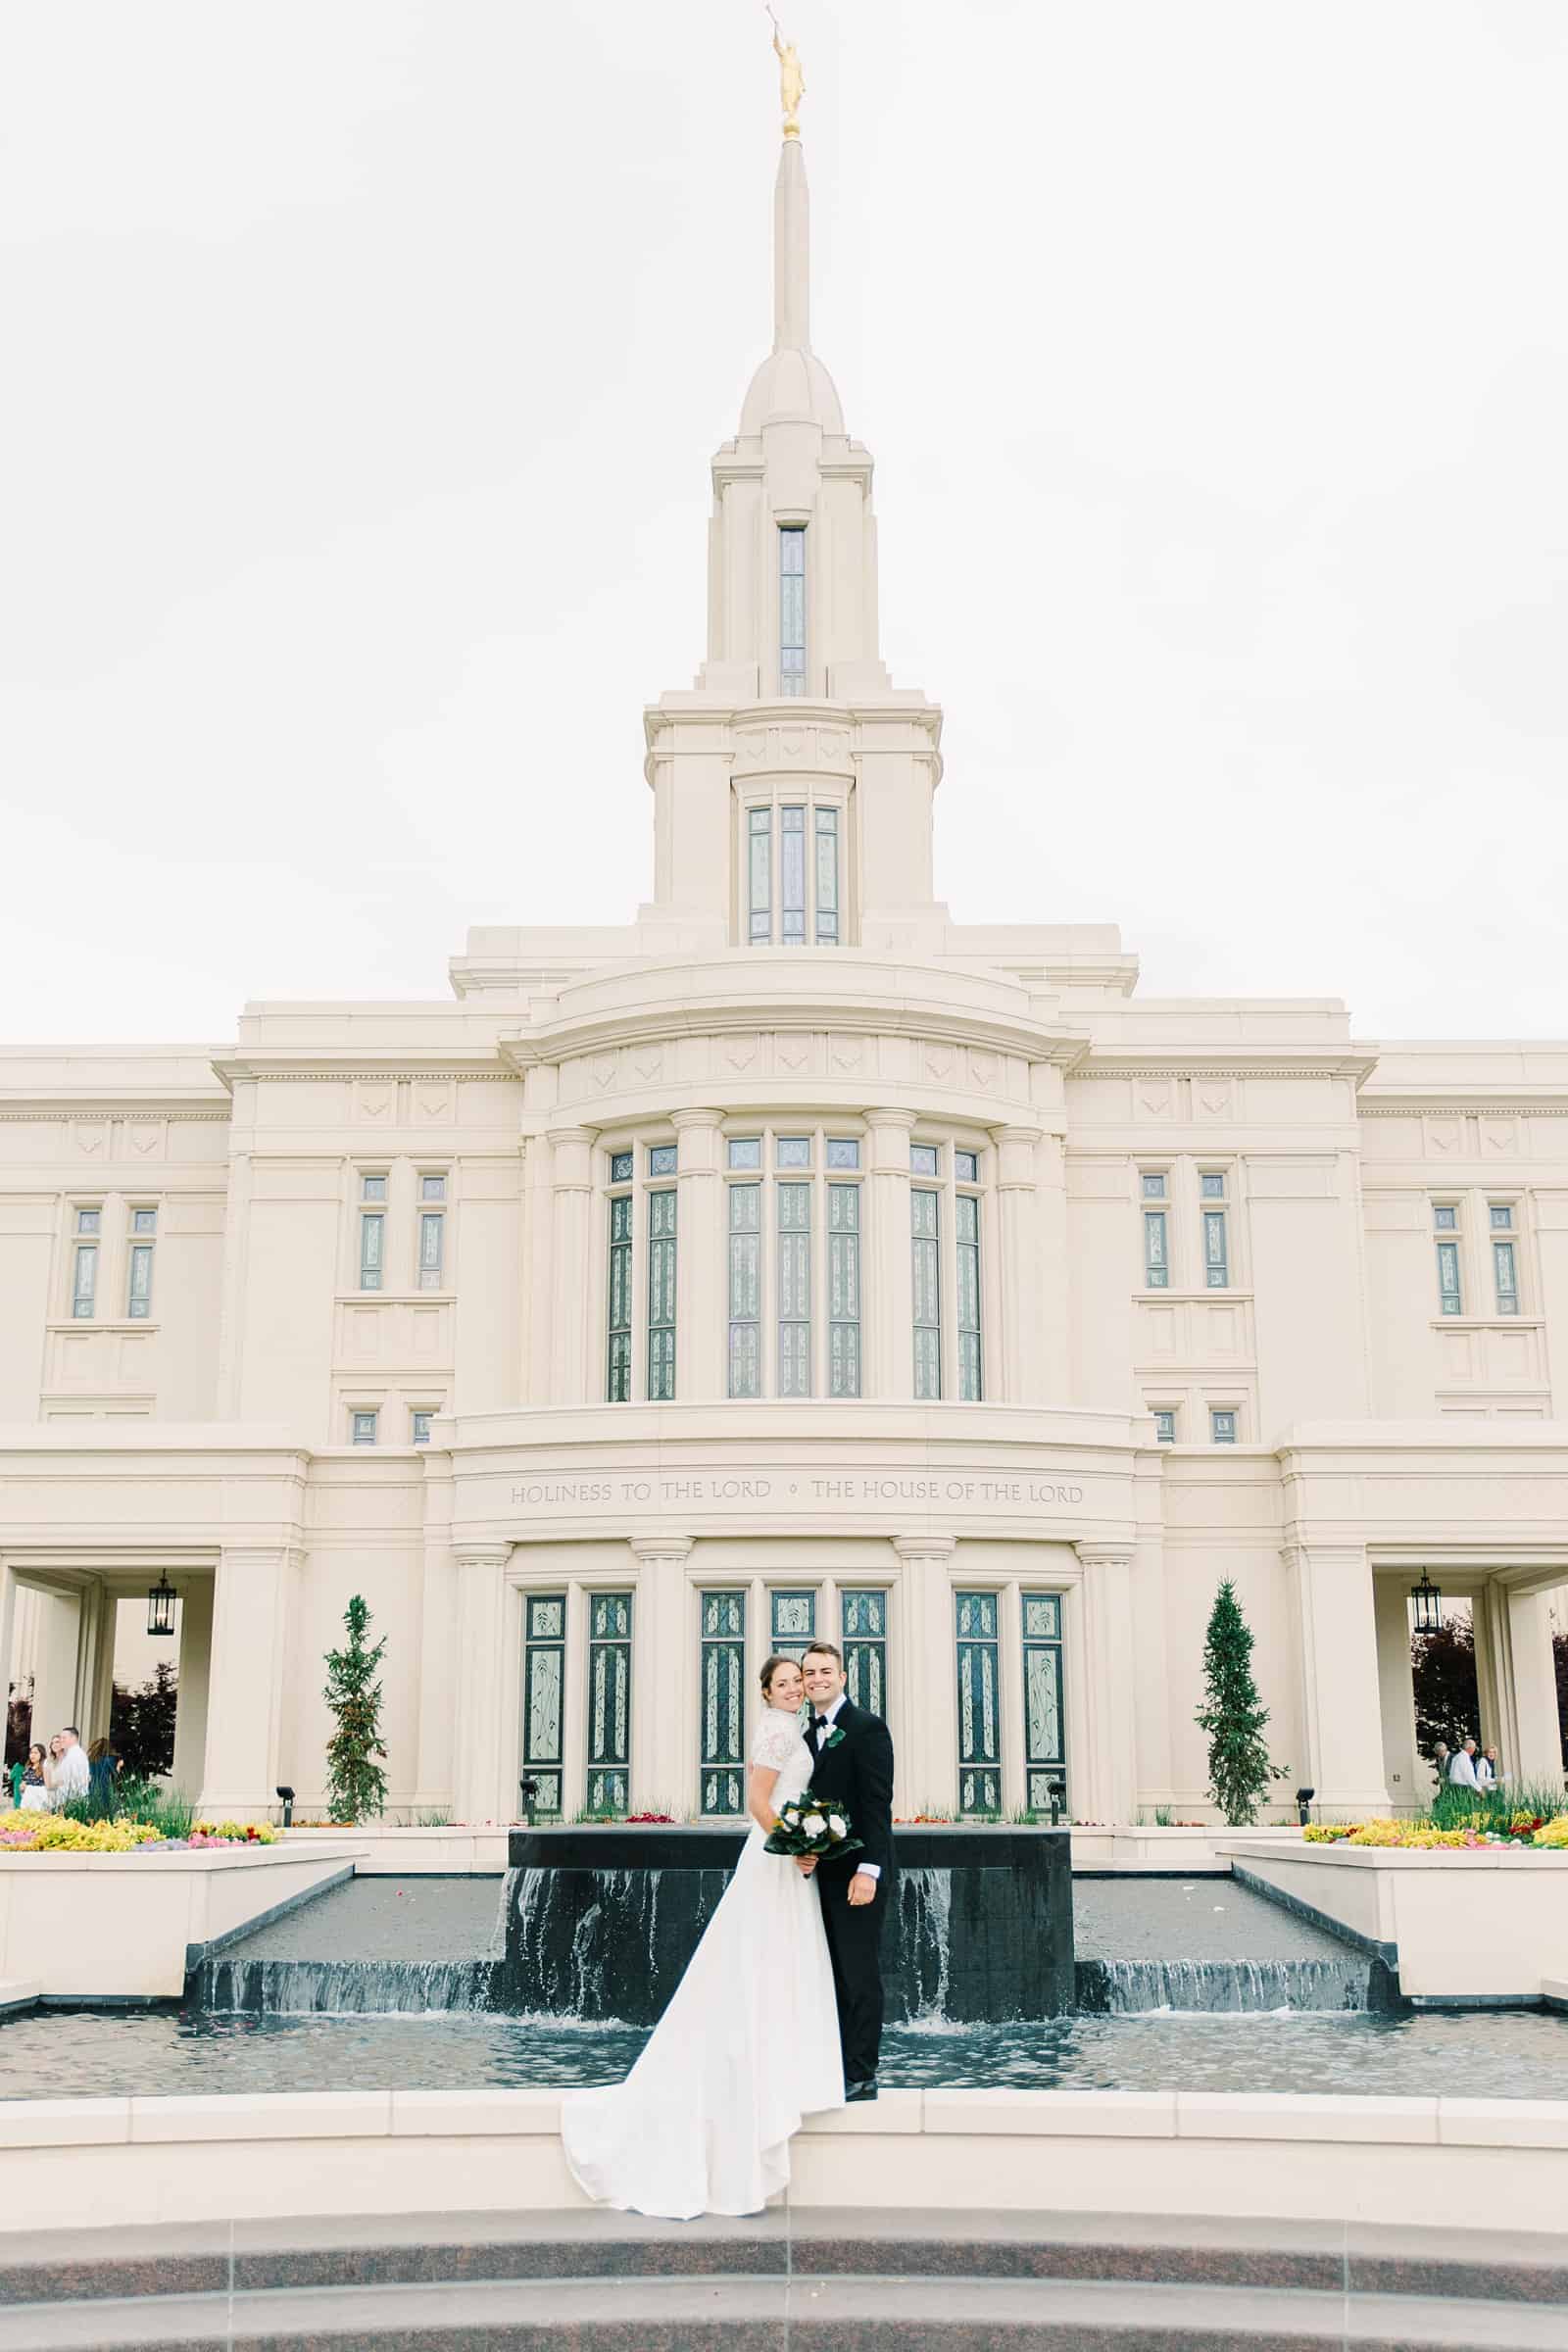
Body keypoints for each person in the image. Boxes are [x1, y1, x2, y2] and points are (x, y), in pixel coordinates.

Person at [562, 1653, 844, 2218]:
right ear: (766, 1693)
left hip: (787, 1860)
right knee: (759, 1957)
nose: (794, 1689)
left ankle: (782, 2057)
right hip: (774, 1859)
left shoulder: (795, 1729)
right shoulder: (775, 1733)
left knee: (777, 1958)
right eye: (783, 1683)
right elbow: (758, 1803)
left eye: (798, 1682)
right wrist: (793, 1844)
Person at [800, 1640, 896, 2104]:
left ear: (842, 1677)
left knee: (859, 1974)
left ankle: (862, 2074)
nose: (816, 1679)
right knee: (829, 1975)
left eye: (824, 1671)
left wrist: (869, 1870)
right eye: (809, 1673)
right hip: (818, 1876)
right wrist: (803, 1850)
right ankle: (832, 2067)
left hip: (858, 1874)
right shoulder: (804, 1737)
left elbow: (877, 1806)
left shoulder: (867, 1729)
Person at [50, 1727, 90, 1809]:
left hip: (72, 1801)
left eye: (64, 1738)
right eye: (60, 1738)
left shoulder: (75, 1755)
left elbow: (73, 1781)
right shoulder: (71, 1754)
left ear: (74, 1738)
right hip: (69, 1800)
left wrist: (64, 1803)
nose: (61, 1740)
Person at [87, 1737, 121, 1807]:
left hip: (92, 1789)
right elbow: (115, 1775)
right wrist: (119, 1766)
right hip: (105, 1789)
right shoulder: (109, 1759)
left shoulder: (90, 1760)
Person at [18, 1745, 49, 1812]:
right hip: (27, 1806)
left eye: (35, 1753)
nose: (32, 1755)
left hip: (41, 1807)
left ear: (42, 1754)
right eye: (31, 1753)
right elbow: (23, 1787)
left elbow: (48, 1788)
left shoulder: (45, 1769)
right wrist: (21, 1788)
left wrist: (29, 1788)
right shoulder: (27, 1770)